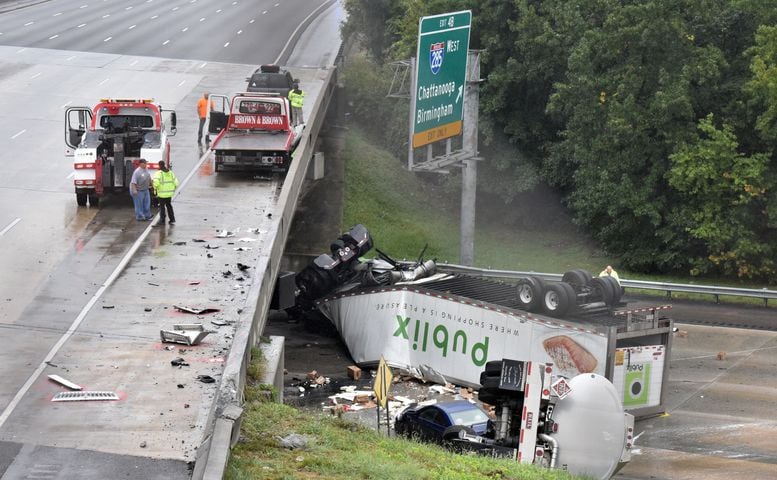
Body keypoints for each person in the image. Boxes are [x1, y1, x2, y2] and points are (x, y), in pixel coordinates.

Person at [152, 160, 179, 225]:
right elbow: (176, 183)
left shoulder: (158, 173)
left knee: (162, 207)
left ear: (159, 165)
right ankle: (172, 219)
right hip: (169, 194)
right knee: (169, 206)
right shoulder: (171, 173)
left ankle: (162, 220)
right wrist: (172, 188)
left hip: (161, 194)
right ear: (164, 165)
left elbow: (156, 183)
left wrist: (155, 189)